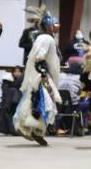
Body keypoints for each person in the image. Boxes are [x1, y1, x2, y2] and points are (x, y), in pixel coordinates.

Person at [13, 10, 61, 146]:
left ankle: (35, 130)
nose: (58, 26)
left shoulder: (43, 38)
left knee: (34, 101)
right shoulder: (47, 38)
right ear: (48, 25)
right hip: (41, 75)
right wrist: (44, 74)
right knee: (43, 102)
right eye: (55, 24)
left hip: (38, 74)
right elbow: (40, 56)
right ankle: (32, 128)